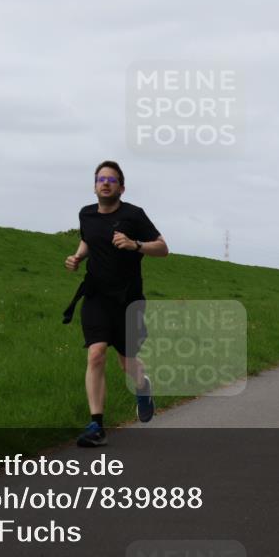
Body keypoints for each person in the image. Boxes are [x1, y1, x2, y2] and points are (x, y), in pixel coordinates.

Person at [64, 161, 168, 447]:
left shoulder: (134, 215)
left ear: (121, 188)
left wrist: (136, 245)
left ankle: (142, 387)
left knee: (127, 363)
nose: (106, 183)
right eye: (101, 179)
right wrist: (77, 257)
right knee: (96, 354)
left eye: (112, 179)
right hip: (96, 295)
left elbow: (163, 248)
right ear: (95, 186)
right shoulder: (86, 214)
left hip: (128, 300)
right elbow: (88, 240)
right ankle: (96, 426)